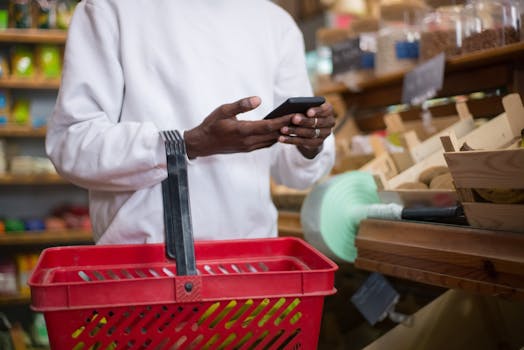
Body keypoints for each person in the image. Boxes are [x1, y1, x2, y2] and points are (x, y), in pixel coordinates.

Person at [46, 0, 336, 244]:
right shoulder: (109, 8)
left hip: (249, 259)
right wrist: (186, 145)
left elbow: (295, 174)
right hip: (142, 264)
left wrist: (309, 141)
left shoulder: (276, 24)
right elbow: (72, 142)